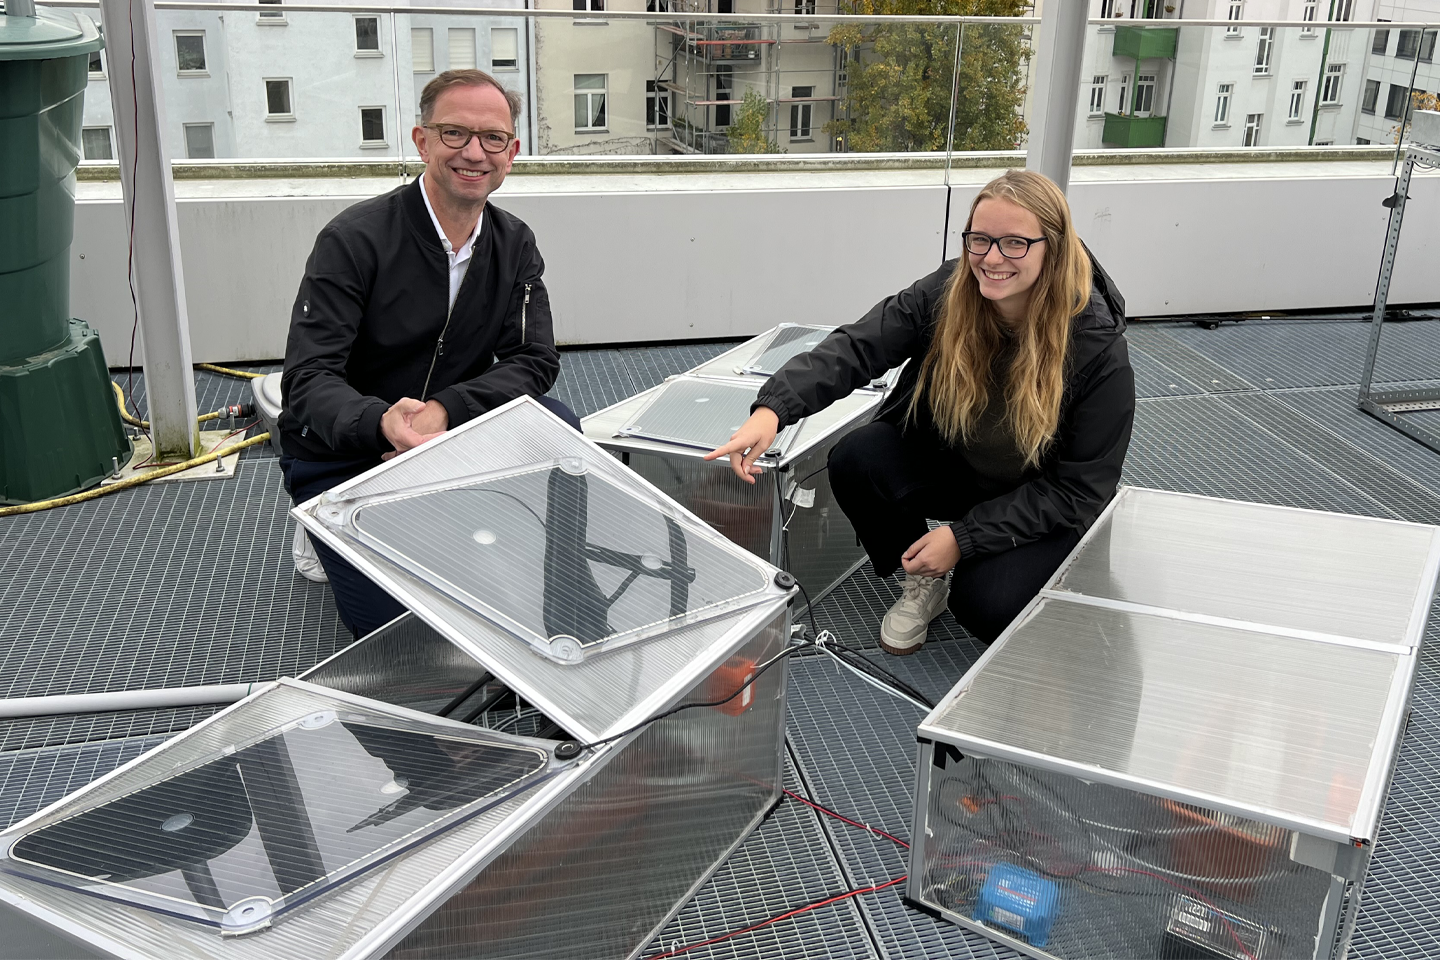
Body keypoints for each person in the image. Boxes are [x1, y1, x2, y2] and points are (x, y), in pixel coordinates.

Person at [706, 170, 1134, 653]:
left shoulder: (1096, 348)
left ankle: (984, 566)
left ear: (1051, 249)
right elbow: (859, 345)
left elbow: (1081, 488)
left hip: (1040, 501)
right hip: (962, 468)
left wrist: (966, 538)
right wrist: (773, 409)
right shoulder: (949, 290)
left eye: (1015, 243)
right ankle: (923, 580)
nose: (991, 259)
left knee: (985, 605)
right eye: (980, 239)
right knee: (858, 458)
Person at [279, 69, 579, 638]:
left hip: (447, 437)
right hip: (350, 452)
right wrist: (382, 424)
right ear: (421, 141)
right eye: (454, 134)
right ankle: (324, 522)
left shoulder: (514, 242)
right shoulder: (354, 240)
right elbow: (309, 378)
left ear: (511, 153)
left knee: (559, 428)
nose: (474, 153)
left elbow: (534, 360)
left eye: (492, 138)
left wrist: (445, 411)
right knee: (402, 640)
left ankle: (566, 591)